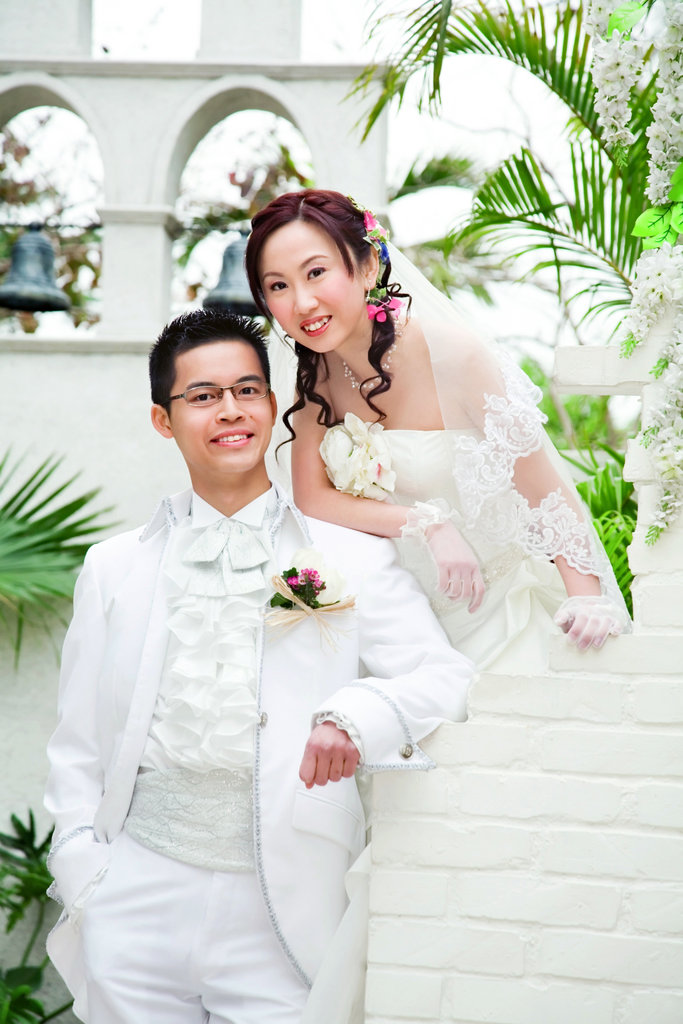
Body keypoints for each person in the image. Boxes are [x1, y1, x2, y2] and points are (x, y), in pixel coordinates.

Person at [43, 308, 474, 1024]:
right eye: (203, 396)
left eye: (247, 390)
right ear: (163, 420)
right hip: (133, 895)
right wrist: (85, 870)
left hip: (286, 906)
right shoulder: (112, 566)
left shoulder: (349, 554)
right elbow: (78, 741)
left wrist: (352, 717)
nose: (230, 411)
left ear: (273, 407)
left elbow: (443, 676)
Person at [244, 189, 631, 674]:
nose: (302, 302)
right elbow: (313, 498)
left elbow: (546, 494)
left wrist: (586, 598)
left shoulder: (454, 355)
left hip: (502, 616)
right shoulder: (315, 380)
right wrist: (426, 523)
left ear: (367, 267)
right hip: (404, 632)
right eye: (278, 286)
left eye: (316, 272)